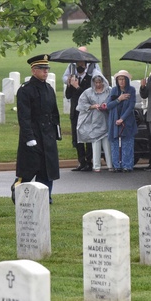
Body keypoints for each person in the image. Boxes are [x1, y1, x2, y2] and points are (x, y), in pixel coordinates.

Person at [13, 54, 61, 200]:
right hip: (33, 135)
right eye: (42, 68)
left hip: (48, 135)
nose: (45, 71)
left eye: (47, 68)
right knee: (29, 169)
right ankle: (18, 192)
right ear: (33, 70)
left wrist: (56, 131)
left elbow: (54, 113)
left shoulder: (49, 88)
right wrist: (29, 138)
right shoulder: (25, 90)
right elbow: (24, 117)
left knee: (48, 169)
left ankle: (46, 197)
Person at [63, 57, 95, 171]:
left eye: (82, 64)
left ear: (86, 66)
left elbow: (87, 96)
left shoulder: (90, 79)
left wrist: (77, 86)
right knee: (77, 138)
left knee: (87, 137)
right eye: (77, 64)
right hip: (75, 112)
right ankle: (81, 161)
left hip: (86, 112)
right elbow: (68, 95)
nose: (79, 66)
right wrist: (69, 84)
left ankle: (89, 161)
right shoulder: (73, 78)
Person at [103, 69, 137, 172]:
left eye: (123, 79)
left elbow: (131, 106)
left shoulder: (131, 90)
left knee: (127, 142)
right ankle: (117, 164)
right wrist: (119, 99)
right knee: (114, 143)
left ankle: (127, 164)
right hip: (114, 119)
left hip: (127, 120)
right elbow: (108, 105)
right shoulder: (114, 90)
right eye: (119, 79)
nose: (121, 82)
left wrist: (122, 119)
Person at [76, 74, 111, 172]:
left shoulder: (109, 91)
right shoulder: (88, 92)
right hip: (94, 121)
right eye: (96, 82)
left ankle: (110, 165)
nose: (98, 84)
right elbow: (81, 104)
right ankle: (96, 166)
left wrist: (106, 106)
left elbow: (113, 101)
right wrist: (92, 106)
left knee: (107, 145)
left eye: (100, 82)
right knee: (95, 144)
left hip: (105, 119)